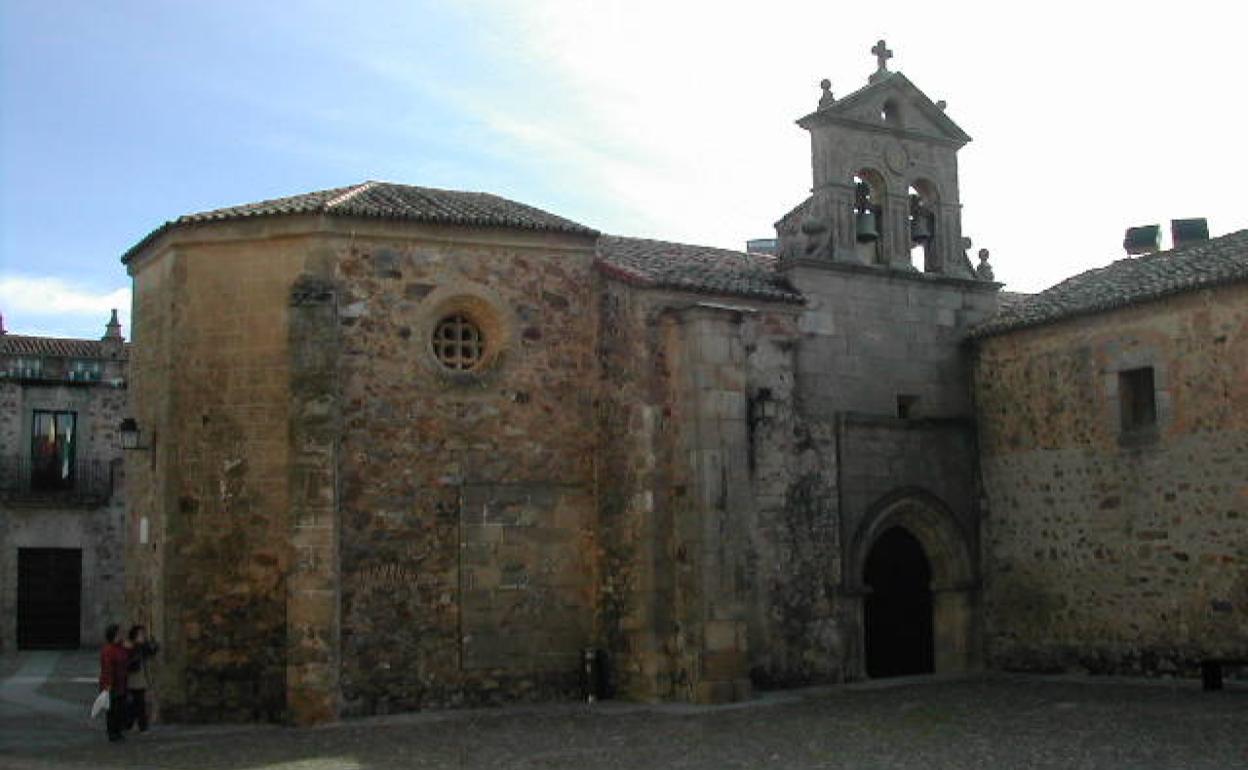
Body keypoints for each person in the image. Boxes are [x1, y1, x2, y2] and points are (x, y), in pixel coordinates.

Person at [98, 623, 129, 742]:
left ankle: (118, 731)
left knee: (120, 709)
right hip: (112, 684)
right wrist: (108, 685)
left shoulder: (121, 648)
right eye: (119, 633)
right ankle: (113, 732)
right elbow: (107, 668)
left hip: (121, 683)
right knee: (112, 710)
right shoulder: (108, 650)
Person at [124, 625, 159, 732]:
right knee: (136, 703)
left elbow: (151, 651)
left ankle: (135, 724)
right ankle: (136, 724)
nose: (143, 636)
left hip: (141, 678)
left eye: (143, 634)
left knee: (138, 703)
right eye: (140, 634)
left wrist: (154, 644)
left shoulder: (142, 646)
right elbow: (130, 663)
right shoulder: (131, 647)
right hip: (133, 679)